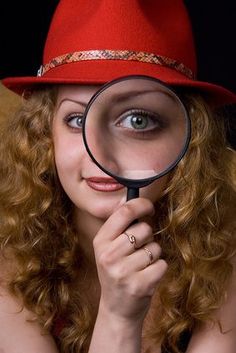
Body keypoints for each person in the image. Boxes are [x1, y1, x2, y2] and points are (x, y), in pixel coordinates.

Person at [0, 1, 236, 352]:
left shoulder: (224, 252)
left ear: (191, 138)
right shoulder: (8, 260)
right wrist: (119, 317)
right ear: (43, 133)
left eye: (138, 120)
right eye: (77, 120)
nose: (102, 154)